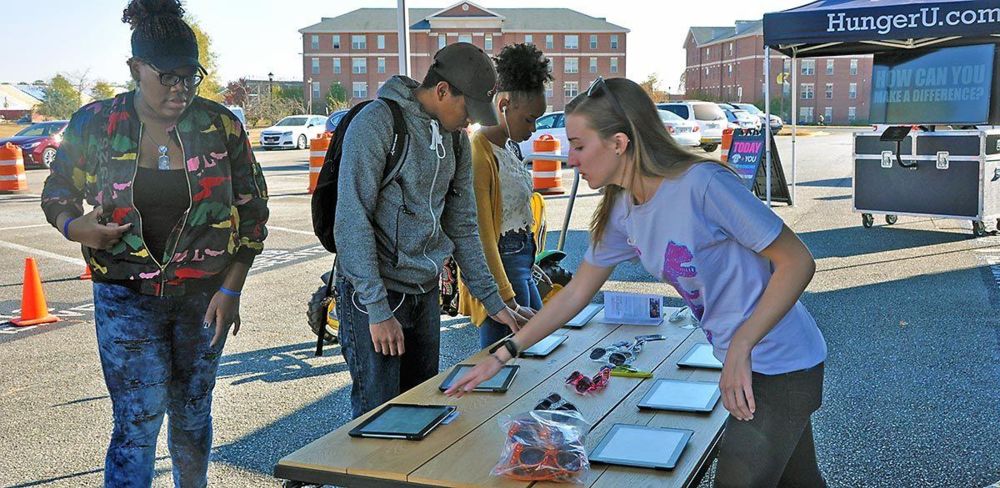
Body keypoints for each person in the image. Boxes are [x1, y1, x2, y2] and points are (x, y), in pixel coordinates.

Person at [446, 77, 828, 487]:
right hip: (753, 361)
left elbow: (797, 262)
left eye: (579, 145)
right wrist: (504, 353)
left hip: (781, 363)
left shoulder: (701, 185)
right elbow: (576, 292)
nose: (570, 159)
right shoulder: (624, 206)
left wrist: (741, 344)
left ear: (619, 143)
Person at [40, 1, 268, 485]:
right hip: (126, 299)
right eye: (166, 76)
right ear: (134, 69)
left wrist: (232, 289)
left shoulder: (220, 126)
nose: (180, 89)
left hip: (204, 298)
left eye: (190, 76)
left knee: (192, 416)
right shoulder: (96, 124)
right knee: (136, 425)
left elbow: (253, 212)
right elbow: (57, 188)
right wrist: (75, 227)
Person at [334, 42, 526, 419]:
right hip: (375, 293)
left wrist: (494, 301)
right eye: (467, 110)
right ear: (441, 91)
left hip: (423, 293)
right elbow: (351, 218)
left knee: (421, 409)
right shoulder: (378, 122)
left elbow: (463, 224)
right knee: (377, 417)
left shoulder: (455, 138)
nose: (471, 121)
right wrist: (377, 309)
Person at [458, 43, 552, 349]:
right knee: (507, 358)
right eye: (528, 119)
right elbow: (482, 234)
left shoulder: (510, 148)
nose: (534, 128)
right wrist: (503, 296)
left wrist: (531, 258)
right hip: (503, 271)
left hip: (522, 262)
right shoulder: (479, 152)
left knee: (536, 348)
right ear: (504, 104)